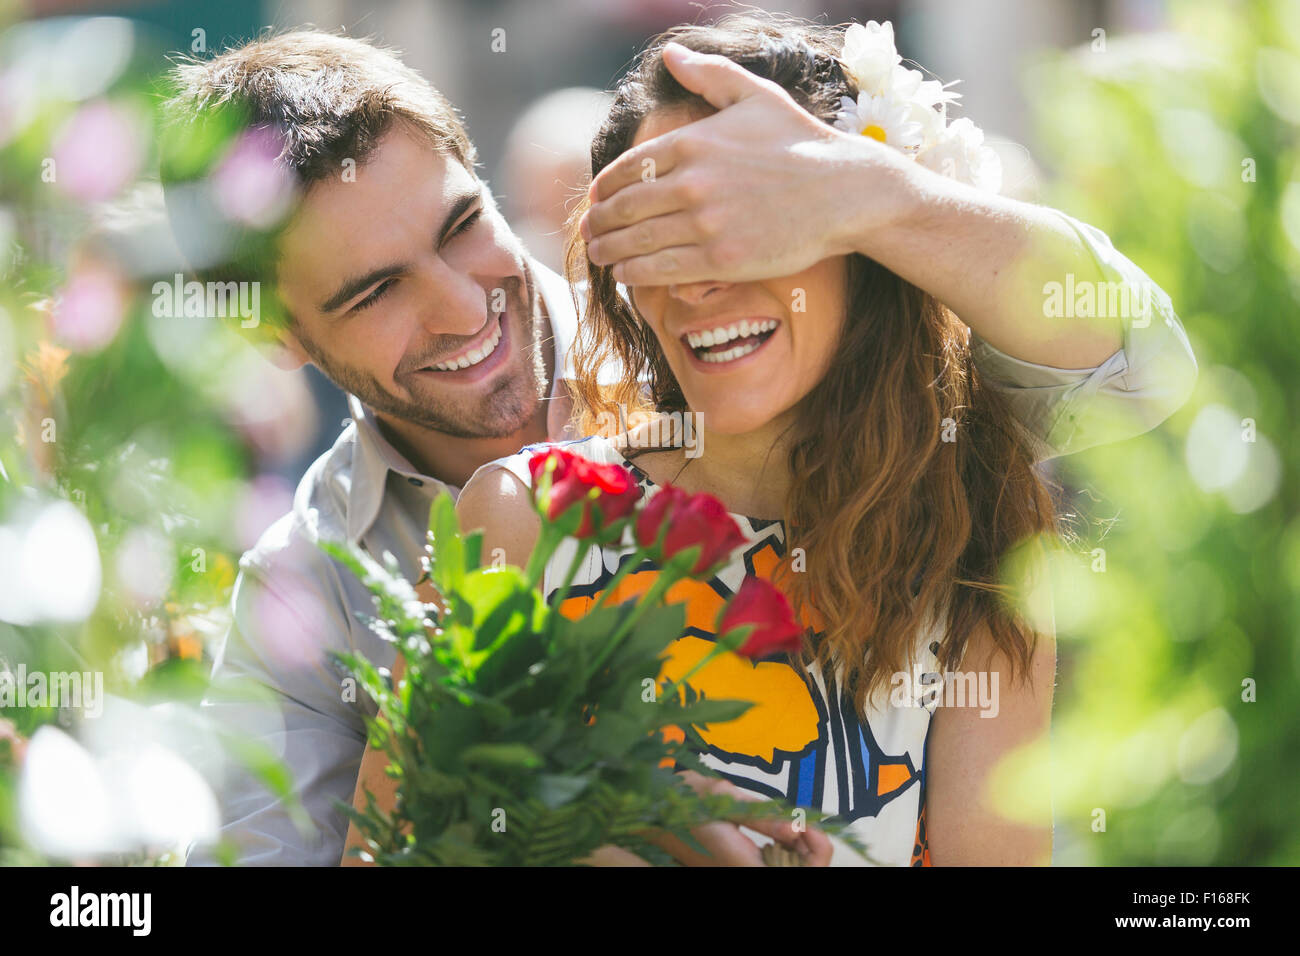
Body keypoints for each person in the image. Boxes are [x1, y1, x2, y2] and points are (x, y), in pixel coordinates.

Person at [161, 24, 1195, 866]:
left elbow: (1146, 368)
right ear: (282, 334)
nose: (460, 303)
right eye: (375, 289)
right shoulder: (395, 557)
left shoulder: (958, 516)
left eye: (459, 224)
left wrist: (873, 195)